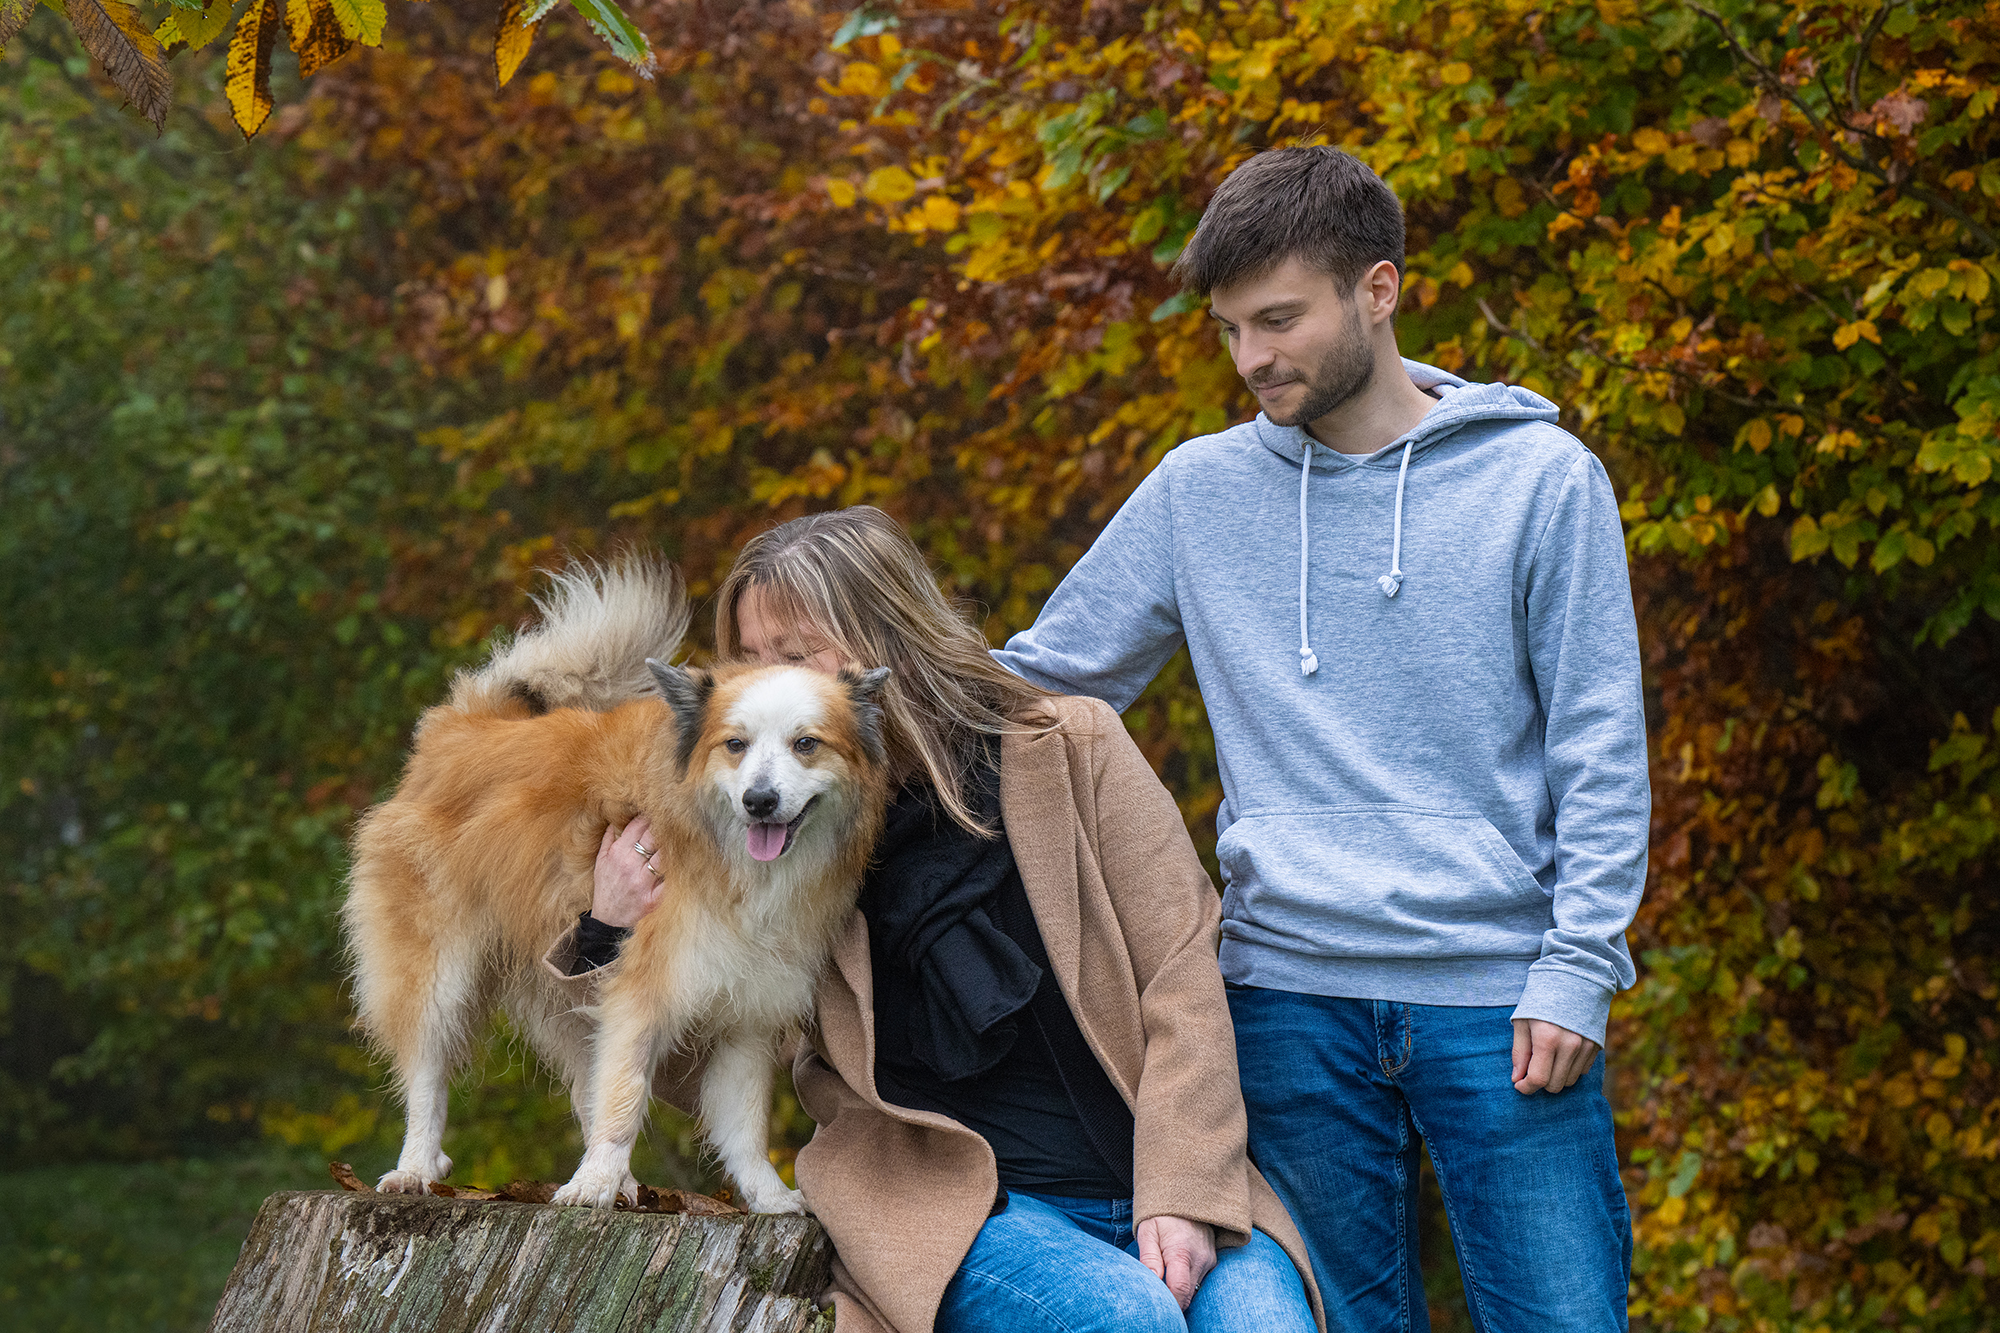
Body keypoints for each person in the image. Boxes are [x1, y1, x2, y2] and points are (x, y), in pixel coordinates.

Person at [989, 146, 1650, 1330]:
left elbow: (1598, 746)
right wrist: (802, 712)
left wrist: (1578, 964)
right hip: (1283, 996)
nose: (1251, 359)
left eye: (1278, 320)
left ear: (1378, 290)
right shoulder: (1198, 490)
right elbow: (1039, 681)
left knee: (1563, 1317)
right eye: (1231, 328)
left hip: (1500, 995)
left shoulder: (1541, 481)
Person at [545, 507, 1323, 1333]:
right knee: (1126, 1317)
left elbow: (1182, 974)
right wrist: (608, 929)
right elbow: (703, 1046)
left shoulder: (1071, 746)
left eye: (796, 652)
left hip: (1154, 1168)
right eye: (750, 656)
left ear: (885, 634)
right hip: (950, 1207)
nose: (765, 679)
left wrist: (1180, 1190)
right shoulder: (761, 831)